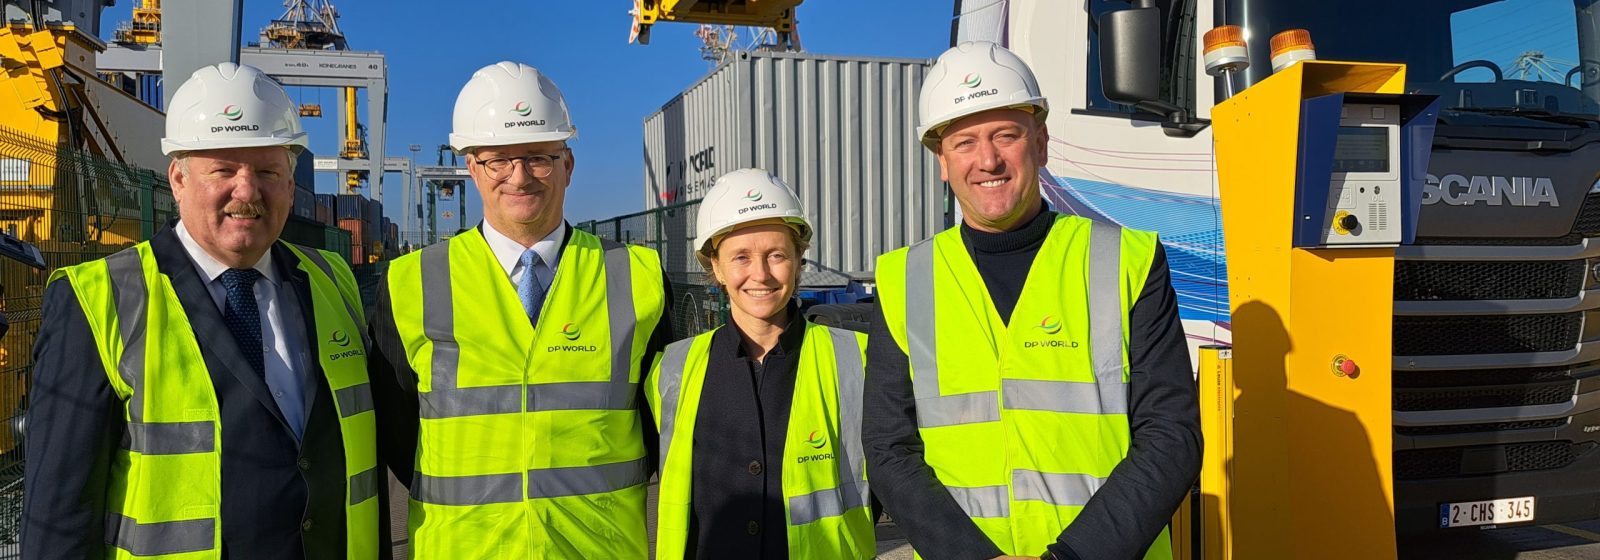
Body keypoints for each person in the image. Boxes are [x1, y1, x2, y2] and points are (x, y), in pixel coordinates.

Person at [23, 62, 382, 559]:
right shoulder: (98, 299)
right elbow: (58, 514)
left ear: (290, 180)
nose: (247, 190)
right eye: (224, 170)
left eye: (266, 171)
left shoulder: (332, 279)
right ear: (178, 178)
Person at [863, 41, 1202, 560]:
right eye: (965, 142)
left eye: (1006, 135)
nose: (988, 159)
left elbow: (1171, 436)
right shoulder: (903, 280)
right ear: (942, 163)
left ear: (1040, 143)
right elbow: (890, 449)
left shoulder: (1126, 260)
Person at [366, 61, 672, 559]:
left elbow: (661, 425)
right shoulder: (411, 282)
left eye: (539, 158)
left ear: (568, 165)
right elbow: (398, 432)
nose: (520, 176)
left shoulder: (638, 276)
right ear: (471, 168)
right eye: (499, 161)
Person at [647, 169, 875, 559]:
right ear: (715, 267)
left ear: (799, 261)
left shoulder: (857, 358)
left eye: (777, 255)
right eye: (741, 257)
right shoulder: (671, 369)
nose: (761, 274)